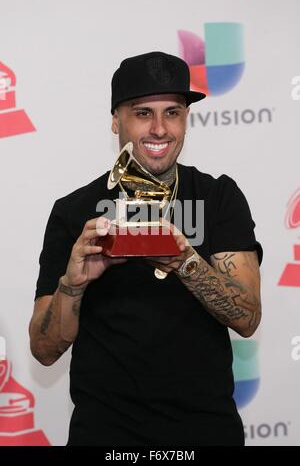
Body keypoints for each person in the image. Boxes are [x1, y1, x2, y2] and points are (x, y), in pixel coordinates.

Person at [29, 52, 263, 446]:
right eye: (142, 113)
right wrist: (73, 283)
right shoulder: (73, 212)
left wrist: (183, 260)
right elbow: (44, 350)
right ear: (115, 119)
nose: (159, 129)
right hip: (104, 437)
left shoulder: (218, 196)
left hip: (205, 432)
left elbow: (248, 317)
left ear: (186, 119)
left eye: (172, 112)